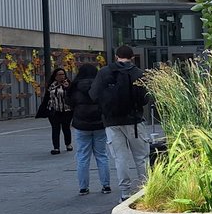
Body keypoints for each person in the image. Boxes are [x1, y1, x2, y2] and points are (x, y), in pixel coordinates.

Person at [90, 45, 151, 200]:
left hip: (111, 122)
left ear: (116, 56)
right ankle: (146, 189)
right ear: (132, 57)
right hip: (134, 122)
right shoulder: (138, 73)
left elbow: (94, 94)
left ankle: (125, 193)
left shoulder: (104, 72)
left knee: (120, 158)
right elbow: (145, 99)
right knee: (141, 157)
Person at [67, 63, 111, 196]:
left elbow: (69, 102)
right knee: (102, 155)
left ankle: (83, 187)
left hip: (81, 125)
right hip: (99, 124)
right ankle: (106, 185)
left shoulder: (74, 87)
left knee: (82, 156)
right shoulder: (100, 85)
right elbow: (106, 102)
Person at [39, 68, 73, 155]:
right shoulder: (51, 85)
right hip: (54, 110)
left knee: (66, 127)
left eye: (63, 74)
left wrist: (67, 88)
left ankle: (68, 144)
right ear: (55, 76)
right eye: (59, 74)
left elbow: (72, 95)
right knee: (55, 128)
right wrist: (44, 109)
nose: (62, 76)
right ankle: (56, 148)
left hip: (66, 110)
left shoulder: (68, 84)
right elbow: (47, 97)